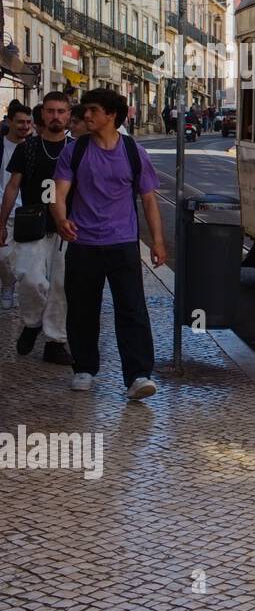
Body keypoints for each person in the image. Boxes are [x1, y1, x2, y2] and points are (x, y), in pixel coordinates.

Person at [53, 89, 166, 400]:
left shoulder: (133, 152)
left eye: (92, 110)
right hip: (83, 242)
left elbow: (148, 200)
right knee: (82, 309)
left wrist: (157, 241)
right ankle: (84, 369)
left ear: (112, 115)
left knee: (132, 309)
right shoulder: (73, 151)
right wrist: (61, 219)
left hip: (123, 243)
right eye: (85, 111)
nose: (85, 116)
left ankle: (138, 375)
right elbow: (58, 193)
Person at [0, 92, 74, 365]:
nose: (55, 116)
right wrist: (1, 222)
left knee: (61, 286)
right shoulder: (28, 148)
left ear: (68, 115)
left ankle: (55, 341)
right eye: (51, 111)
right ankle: (32, 323)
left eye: (61, 111)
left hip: (66, 227)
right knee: (29, 279)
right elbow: (12, 186)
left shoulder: (76, 148)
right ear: (42, 114)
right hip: (32, 225)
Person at [0, 104, 32, 309]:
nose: (25, 126)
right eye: (20, 122)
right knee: (3, 257)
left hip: (28, 212)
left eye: (29, 122)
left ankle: (26, 292)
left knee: (29, 261)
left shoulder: (33, 147)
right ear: (9, 121)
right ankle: (8, 284)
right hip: (3, 210)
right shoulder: (1, 145)